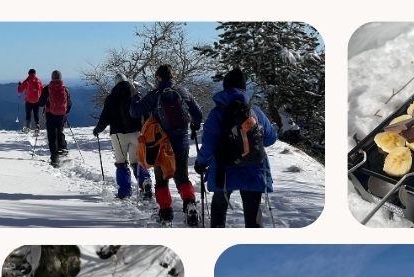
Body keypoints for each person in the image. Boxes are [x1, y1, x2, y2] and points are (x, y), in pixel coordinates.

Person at [193, 67, 277, 227]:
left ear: (225, 87)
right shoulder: (255, 112)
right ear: (244, 88)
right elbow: (270, 139)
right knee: (253, 216)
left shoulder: (216, 114)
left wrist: (201, 163)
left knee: (219, 207)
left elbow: (209, 145)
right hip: (254, 169)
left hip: (223, 171)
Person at [130, 64, 203, 226]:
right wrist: (194, 125)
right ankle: (190, 203)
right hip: (181, 144)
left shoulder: (154, 95)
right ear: (172, 76)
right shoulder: (183, 91)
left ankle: (165, 213)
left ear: (158, 78)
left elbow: (134, 112)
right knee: (182, 177)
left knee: (162, 180)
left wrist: (134, 98)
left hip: (161, 146)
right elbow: (198, 114)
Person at [93, 74, 153, 199]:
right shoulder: (136, 95)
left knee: (121, 163)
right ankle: (144, 181)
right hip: (136, 133)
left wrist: (98, 130)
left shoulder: (111, 98)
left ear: (115, 83)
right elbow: (146, 114)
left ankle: (125, 191)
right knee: (136, 161)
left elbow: (105, 117)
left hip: (118, 135)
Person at [39, 70, 72, 167]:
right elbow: (70, 103)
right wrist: (66, 112)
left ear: (52, 77)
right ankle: (63, 150)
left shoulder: (47, 88)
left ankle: (54, 158)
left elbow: (41, 103)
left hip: (50, 114)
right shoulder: (65, 89)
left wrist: (46, 103)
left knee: (52, 135)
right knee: (60, 131)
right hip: (61, 115)